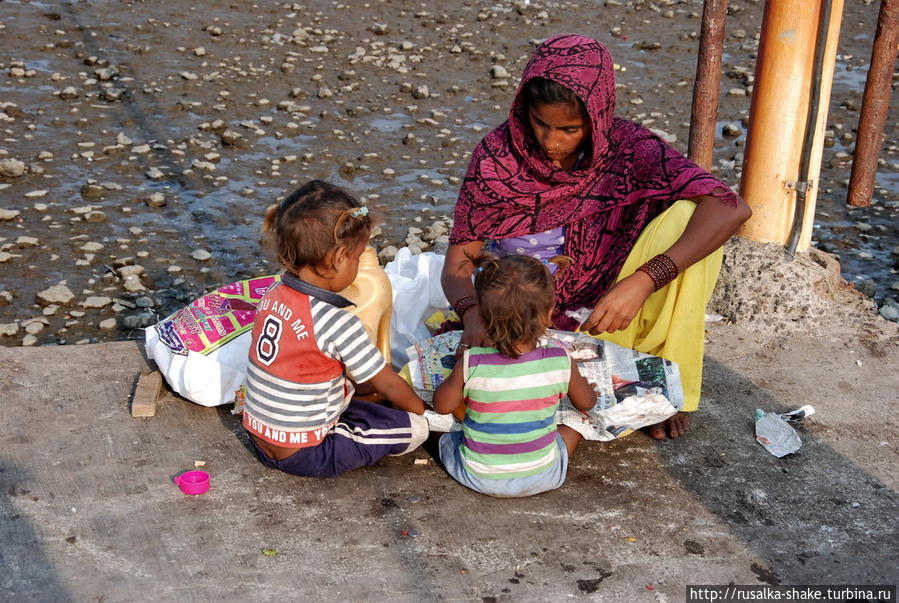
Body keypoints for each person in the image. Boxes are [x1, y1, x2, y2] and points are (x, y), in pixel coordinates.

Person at [441, 34, 752, 439]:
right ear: (523, 111)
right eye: (540, 123)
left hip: (605, 311)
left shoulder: (628, 149)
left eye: (570, 129)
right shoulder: (497, 157)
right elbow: (458, 263)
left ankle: (664, 383)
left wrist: (644, 280)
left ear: (598, 118)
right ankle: (630, 392)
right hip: (518, 311)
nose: (551, 142)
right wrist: (471, 312)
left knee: (689, 216)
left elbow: (731, 207)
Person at [243, 180, 429, 478]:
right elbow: (389, 384)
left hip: (259, 436)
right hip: (305, 453)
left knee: (355, 387)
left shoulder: (272, 295)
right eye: (356, 257)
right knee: (414, 428)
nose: (358, 264)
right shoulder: (337, 321)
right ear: (338, 258)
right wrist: (423, 409)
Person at [433, 253, 597, 497]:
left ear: (483, 317)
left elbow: (442, 406)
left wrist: (458, 370)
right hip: (544, 476)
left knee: (442, 432)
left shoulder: (472, 361)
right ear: (549, 312)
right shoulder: (560, 360)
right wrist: (590, 390)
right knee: (575, 425)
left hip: (479, 476)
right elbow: (586, 403)